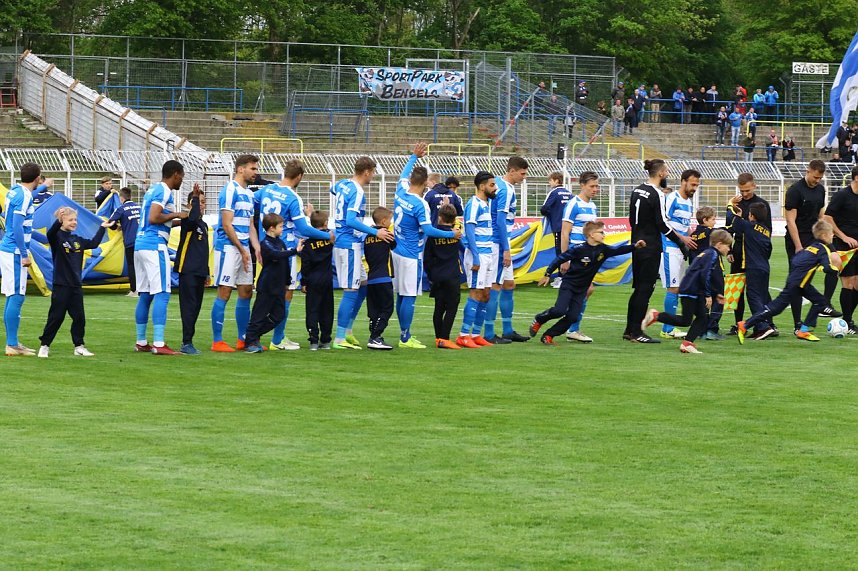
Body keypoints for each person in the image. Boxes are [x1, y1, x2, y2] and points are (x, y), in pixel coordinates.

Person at [253, 159, 333, 351]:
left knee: (265, 294)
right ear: (299, 177)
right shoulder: (292, 197)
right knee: (284, 295)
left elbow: (253, 204)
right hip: (284, 251)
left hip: (265, 247)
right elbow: (303, 228)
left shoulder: (267, 190)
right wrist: (326, 236)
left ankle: (250, 336)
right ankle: (277, 338)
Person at [531, 220, 645, 345]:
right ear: (591, 234)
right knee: (559, 311)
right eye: (601, 232)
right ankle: (539, 319)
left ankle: (549, 335)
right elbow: (559, 259)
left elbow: (618, 249)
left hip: (582, 288)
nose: (604, 235)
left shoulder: (603, 249)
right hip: (569, 285)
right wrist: (547, 274)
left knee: (572, 317)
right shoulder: (578, 249)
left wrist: (635, 246)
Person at [392, 150, 461, 349]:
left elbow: (402, 175)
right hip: (411, 254)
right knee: (409, 295)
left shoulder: (400, 190)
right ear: (424, 184)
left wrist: (413, 156)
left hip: (397, 250)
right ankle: (405, 338)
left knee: (401, 295)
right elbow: (429, 229)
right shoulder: (420, 203)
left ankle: (404, 334)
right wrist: (451, 235)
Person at [623, 159, 695, 343]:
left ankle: (629, 329)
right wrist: (680, 242)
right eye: (667, 171)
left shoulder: (638, 189)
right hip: (650, 247)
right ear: (661, 173)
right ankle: (636, 332)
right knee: (645, 290)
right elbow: (663, 224)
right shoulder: (657, 194)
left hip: (637, 244)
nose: (668, 174)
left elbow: (632, 220)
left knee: (638, 289)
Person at [737, 220, 843, 343]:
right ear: (824, 235)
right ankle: (744, 325)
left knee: (820, 302)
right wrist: (837, 269)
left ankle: (804, 330)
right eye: (831, 234)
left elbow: (795, 260)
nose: (833, 236)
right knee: (775, 308)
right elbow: (827, 268)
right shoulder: (823, 249)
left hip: (800, 283)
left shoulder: (810, 247)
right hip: (798, 284)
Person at [332, 155, 394, 349]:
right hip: (348, 243)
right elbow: (350, 220)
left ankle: (348, 331)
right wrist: (375, 231)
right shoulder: (358, 192)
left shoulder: (343, 184)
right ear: (367, 172)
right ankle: (340, 337)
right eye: (373, 172)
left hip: (347, 242)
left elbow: (332, 190)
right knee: (351, 290)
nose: (374, 176)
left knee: (363, 284)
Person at [643, 229, 733, 354]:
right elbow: (704, 275)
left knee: (700, 318)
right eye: (728, 246)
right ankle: (657, 316)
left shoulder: (707, 253)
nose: (729, 249)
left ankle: (687, 343)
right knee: (691, 320)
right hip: (692, 290)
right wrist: (708, 295)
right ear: (719, 244)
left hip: (690, 288)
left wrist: (715, 294)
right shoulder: (712, 255)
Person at [37, 207, 109, 357]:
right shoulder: (56, 238)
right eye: (70, 220)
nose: (74, 222)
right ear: (62, 221)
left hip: (76, 285)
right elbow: (50, 233)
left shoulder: (77, 240)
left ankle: (79, 346)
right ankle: (45, 345)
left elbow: (95, 243)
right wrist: (58, 221)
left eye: (75, 219)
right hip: (61, 285)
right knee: (56, 317)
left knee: (79, 317)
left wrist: (102, 227)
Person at [134, 160, 189, 355]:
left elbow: (157, 221)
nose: (182, 180)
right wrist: (178, 214)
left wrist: (180, 221)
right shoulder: (164, 191)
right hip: (154, 245)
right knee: (162, 292)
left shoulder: (153, 190)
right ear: (175, 174)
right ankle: (158, 343)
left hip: (140, 244)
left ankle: (141, 341)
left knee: (146, 294)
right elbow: (154, 218)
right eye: (182, 176)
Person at [210, 154, 261, 352]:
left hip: (243, 248)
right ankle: (217, 341)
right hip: (229, 247)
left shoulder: (249, 194)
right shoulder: (230, 190)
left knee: (246, 291)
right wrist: (241, 248)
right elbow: (226, 223)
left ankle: (243, 339)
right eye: (253, 168)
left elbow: (250, 225)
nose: (256, 172)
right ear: (241, 169)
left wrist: (255, 247)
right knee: (224, 291)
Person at [483, 156, 529, 344]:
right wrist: (505, 249)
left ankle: (508, 329)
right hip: (497, 243)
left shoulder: (502, 186)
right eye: (522, 173)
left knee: (509, 284)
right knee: (495, 285)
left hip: (502, 241)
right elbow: (500, 220)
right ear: (512, 171)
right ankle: (489, 333)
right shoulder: (504, 189)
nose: (524, 177)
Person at [244, 214, 302, 353]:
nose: (282, 229)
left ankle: (254, 336)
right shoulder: (266, 244)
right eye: (280, 226)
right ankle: (250, 341)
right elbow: (276, 255)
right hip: (267, 286)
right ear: (271, 228)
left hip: (279, 286)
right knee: (259, 314)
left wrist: (287, 281)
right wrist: (294, 251)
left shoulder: (280, 242)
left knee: (278, 315)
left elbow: (284, 262)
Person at [725, 173, 772, 335]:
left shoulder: (762, 204)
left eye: (746, 190)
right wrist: (729, 249)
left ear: (754, 186)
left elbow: (768, 231)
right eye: (741, 190)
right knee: (737, 290)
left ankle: (766, 323)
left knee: (759, 291)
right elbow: (729, 228)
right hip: (738, 250)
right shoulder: (736, 203)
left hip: (754, 253)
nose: (744, 194)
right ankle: (740, 324)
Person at [784, 159, 828, 333]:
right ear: (808, 171)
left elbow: (820, 215)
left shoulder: (821, 190)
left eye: (820, 178)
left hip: (813, 239)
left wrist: (824, 239)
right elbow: (790, 220)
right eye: (815, 176)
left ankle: (819, 309)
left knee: (808, 279)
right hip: (797, 240)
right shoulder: (795, 191)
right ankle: (798, 322)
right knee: (797, 280)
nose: (817, 180)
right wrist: (798, 246)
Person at [1, 162, 39, 356]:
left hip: (7, 249)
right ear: (37, 178)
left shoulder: (13, 191)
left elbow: (4, 216)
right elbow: (16, 224)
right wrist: (24, 254)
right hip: (15, 251)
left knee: (11, 294)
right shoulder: (25, 196)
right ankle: (12, 344)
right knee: (17, 295)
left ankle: (12, 342)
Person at [456, 171, 497, 349]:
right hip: (478, 255)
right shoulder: (474, 204)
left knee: (486, 294)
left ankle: (476, 334)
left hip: (489, 254)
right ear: (482, 186)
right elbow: (470, 232)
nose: (495, 188)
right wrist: (476, 256)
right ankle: (463, 335)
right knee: (475, 293)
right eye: (492, 185)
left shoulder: (486, 204)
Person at [659, 169, 701, 339]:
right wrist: (683, 238)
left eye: (697, 185)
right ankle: (667, 329)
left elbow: (684, 226)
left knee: (678, 288)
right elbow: (664, 223)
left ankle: (670, 328)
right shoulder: (672, 199)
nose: (695, 188)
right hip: (669, 247)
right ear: (683, 181)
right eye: (692, 184)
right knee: (674, 288)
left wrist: (692, 234)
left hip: (680, 250)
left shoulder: (689, 203)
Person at [559, 171, 600, 342]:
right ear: (582, 185)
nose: (595, 189)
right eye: (592, 186)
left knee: (585, 291)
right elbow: (564, 233)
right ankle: (572, 328)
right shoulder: (573, 204)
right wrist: (565, 258)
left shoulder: (592, 206)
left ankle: (571, 327)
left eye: (597, 186)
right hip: (576, 255)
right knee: (586, 289)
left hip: (588, 256)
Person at [822, 165, 858, 334]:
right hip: (845, 247)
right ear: (856, 178)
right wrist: (844, 237)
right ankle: (848, 322)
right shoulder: (842, 195)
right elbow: (827, 217)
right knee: (848, 282)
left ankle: (848, 320)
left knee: (857, 285)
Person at [175, 185, 209, 355]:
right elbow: (193, 216)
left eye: (203, 202)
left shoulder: (202, 224)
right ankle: (186, 342)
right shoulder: (188, 221)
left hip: (199, 272)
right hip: (187, 270)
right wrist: (194, 199)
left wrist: (207, 271)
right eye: (199, 202)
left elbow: (203, 250)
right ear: (190, 204)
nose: (202, 205)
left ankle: (189, 341)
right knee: (188, 307)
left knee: (195, 308)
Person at [425, 204, 463, 349]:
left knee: (439, 307)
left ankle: (438, 337)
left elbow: (427, 257)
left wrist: (430, 274)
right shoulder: (456, 234)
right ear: (454, 219)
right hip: (452, 274)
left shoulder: (433, 234)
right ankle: (445, 338)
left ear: (439, 217)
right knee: (452, 307)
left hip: (437, 275)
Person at [300, 211, 334, 350]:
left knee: (312, 310)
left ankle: (313, 340)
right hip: (327, 278)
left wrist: (304, 282)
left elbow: (305, 264)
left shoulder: (308, 244)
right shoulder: (330, 239)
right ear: (325, 223)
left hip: (313, 280)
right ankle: (325, 340)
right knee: (327, 310)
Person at [364, 206, 396, 350]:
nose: (391, 222)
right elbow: (394, 245)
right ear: (383, 221)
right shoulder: (387, 234)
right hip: (384, 277)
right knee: (387, 308)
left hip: (371, 278)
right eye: (389, 219)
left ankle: (374, 335)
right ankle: (375, 337)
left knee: (374, 310)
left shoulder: (368, 236)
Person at [540, 171, 573, 286]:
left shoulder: (553, 193)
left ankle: (562, 278)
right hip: (570, 227)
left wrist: (551, 215)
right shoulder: (569, 193)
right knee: (568, 251)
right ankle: (566, 276)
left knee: (560, 252)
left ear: (556, 180)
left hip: (558, 226)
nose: (549, 183)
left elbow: (544, 209)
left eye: (550, 180)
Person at [107, 186, 141, 297]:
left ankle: (134, 290)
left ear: (121, 198)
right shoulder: (140, 207)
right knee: (143, 265)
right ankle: (145, 289)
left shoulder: (121, 209)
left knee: (132, 266)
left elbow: (110, 223)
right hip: (143, 240)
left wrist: (117, 227)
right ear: (130, 196)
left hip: (130, 241)